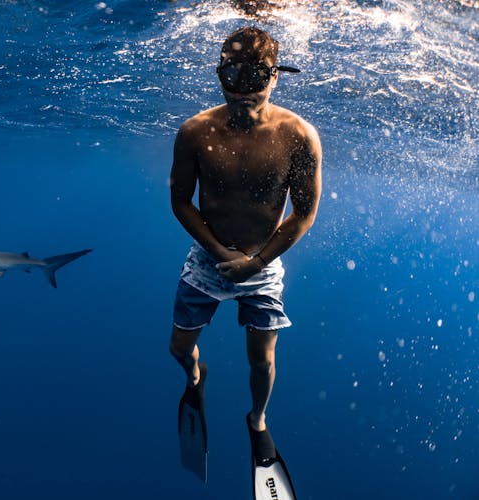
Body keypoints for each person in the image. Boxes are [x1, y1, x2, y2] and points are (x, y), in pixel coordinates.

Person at [169, 26, 322, 465]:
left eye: (252, 75)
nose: (240, 89)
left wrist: (257, 262)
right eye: (230, 74)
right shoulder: (195, 132)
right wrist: (222, 255)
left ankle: (257, 421)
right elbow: (179, 201)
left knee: (262, 361)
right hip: (208, 258)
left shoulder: (299, 136)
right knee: (178, 349)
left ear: (275, 75)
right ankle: (197, 376)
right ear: (219, 74)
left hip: (264, 262)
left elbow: (303, 213)